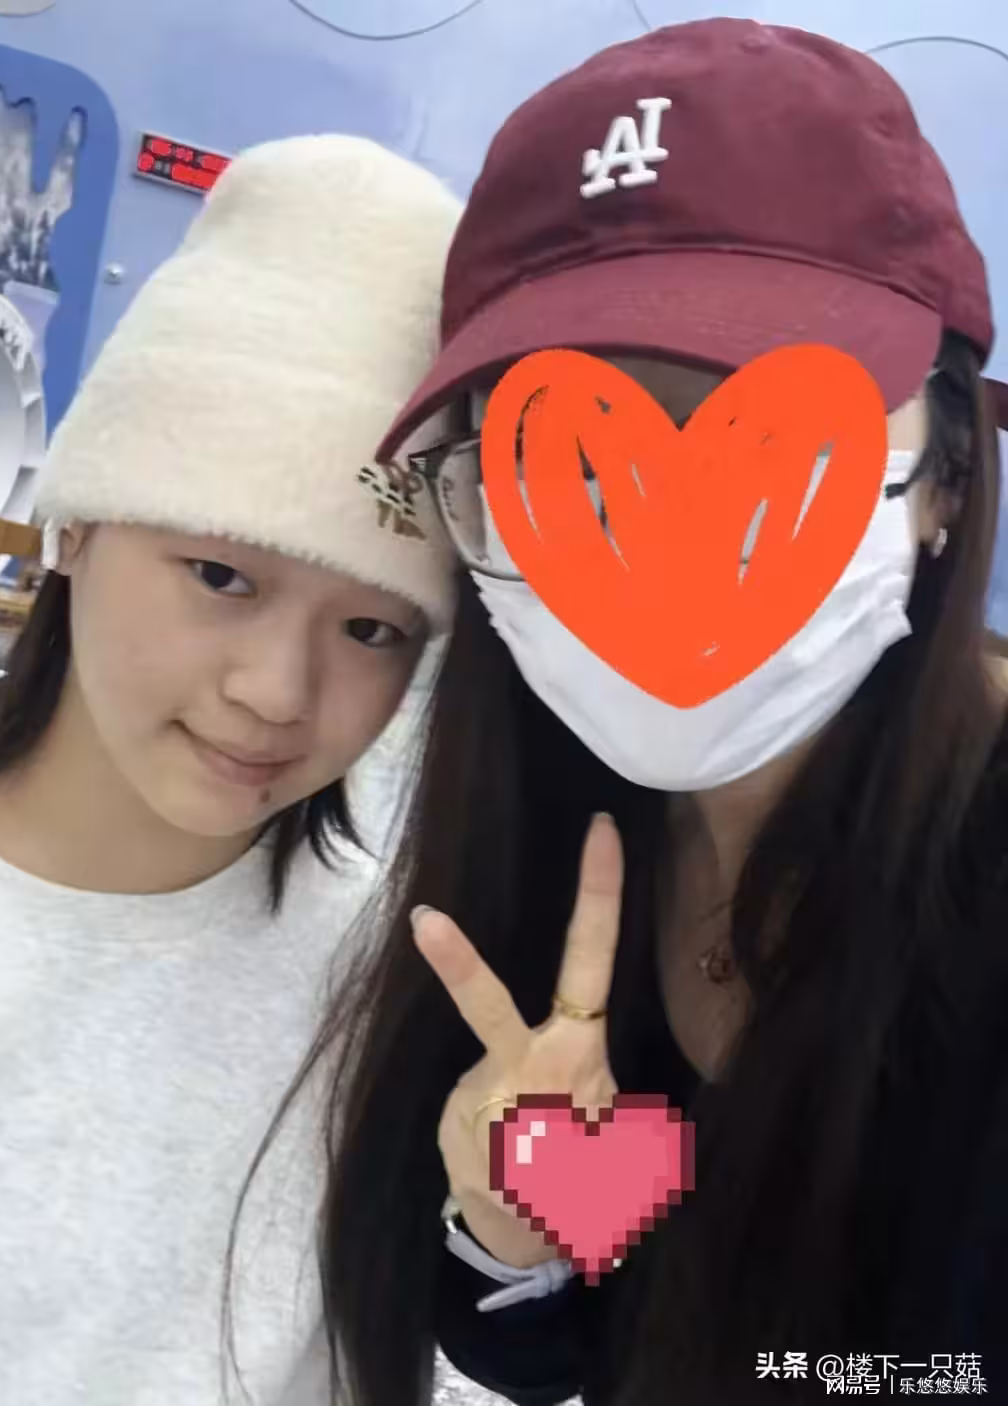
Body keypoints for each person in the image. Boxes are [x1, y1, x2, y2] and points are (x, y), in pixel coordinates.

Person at [244, 22, 1008, 1406]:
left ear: (948, 475)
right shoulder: (554, 845)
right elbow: (589, 1349)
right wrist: (520, 1232)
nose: (656, 514)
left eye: (767, 418)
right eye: (568, 444)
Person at [0, 135, 461, 1406]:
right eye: (222, 575)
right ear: (74, 526)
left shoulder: (407, 977)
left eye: (372, 627)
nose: (278, 691)